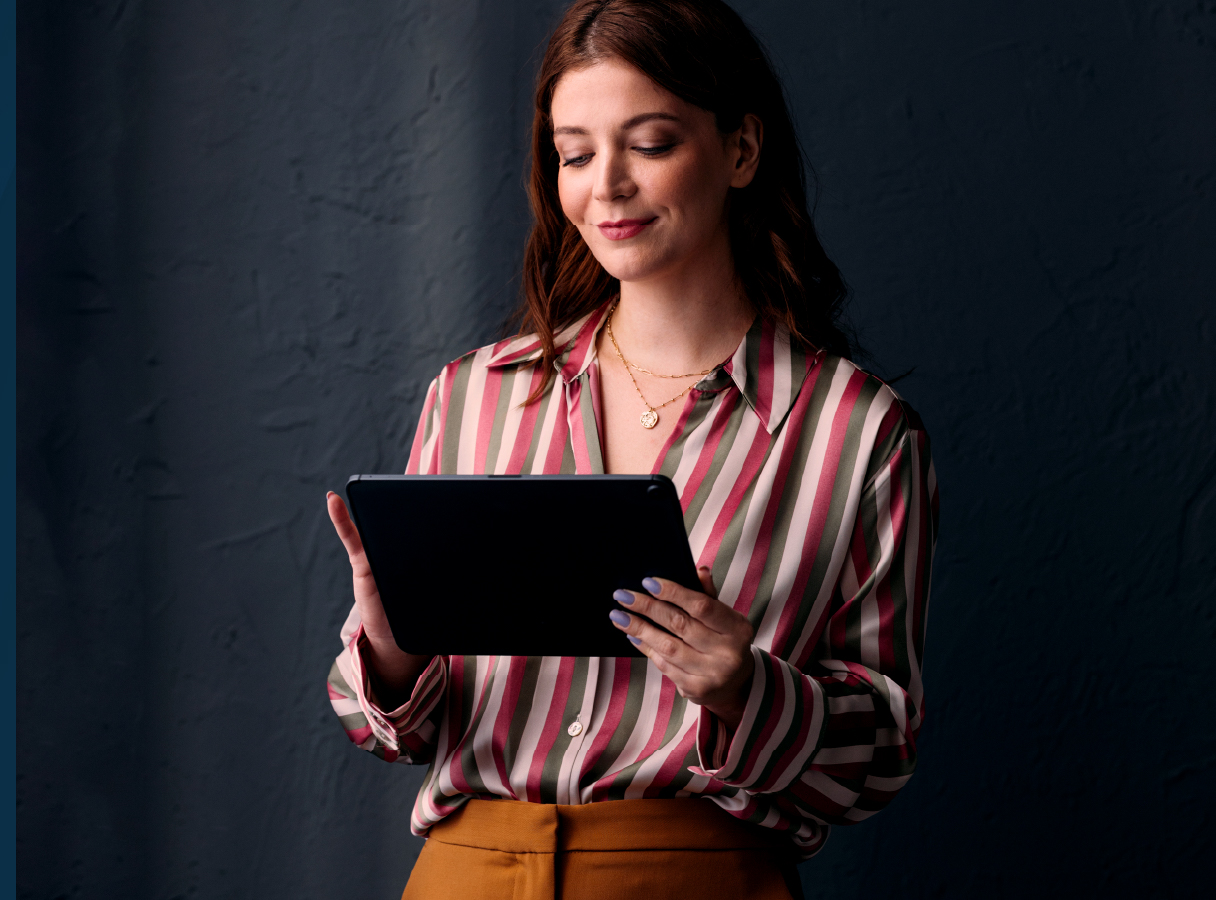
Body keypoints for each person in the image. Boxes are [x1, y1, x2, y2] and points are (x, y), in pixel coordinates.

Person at [323, 1, 937, 897]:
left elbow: (881, 754)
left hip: (696, 874)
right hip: (466, 873)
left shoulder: (859, 432)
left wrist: (749, 690)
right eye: (574, 153)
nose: (604, 184)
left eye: (649, 144)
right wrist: (389, 649)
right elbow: (382, 726)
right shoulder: (473, 396)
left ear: (739, 150)